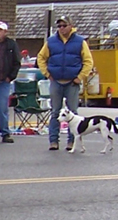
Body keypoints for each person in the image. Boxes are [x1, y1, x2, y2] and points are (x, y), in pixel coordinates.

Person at [36, 14, 94, 151]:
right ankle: (53, 141)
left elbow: (88, 61)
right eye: (59, 26)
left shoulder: (80, 42)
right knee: (55, 112)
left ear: (71, 26)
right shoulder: (51, 41)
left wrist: (80, 77)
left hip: (72, 82)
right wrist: (47, 74)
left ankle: (71, 141)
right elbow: (41, 57)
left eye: (64, 25)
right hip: (56, 81)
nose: (61, 28)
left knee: (72, 112)